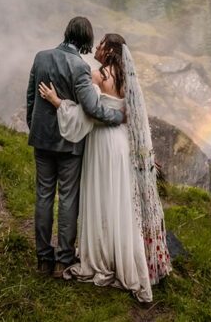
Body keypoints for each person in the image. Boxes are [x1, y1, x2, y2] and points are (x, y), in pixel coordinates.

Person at [39, 33, 171, 303]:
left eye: (100, 45)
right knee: (121, 201)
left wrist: (57, 103)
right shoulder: (127, 79)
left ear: (110, 50)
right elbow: (133, 116)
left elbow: (88, 111)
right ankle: (123, 256)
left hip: (101, 142)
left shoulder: (97, 75)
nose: (96, 49)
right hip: (122, 144)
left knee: (101, 197)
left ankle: (100, 256)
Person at [26, 16, 124, 278]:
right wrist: (118, 118)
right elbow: (91, 108)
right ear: (86, 40)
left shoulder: (41, 57)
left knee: (44, 196)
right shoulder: (80, 67)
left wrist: (34, 128)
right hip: (70, 144)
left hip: (42, 139)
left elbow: (30, 99)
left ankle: (43, 259)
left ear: (67, 32)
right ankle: (63, 260)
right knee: (68, 199)